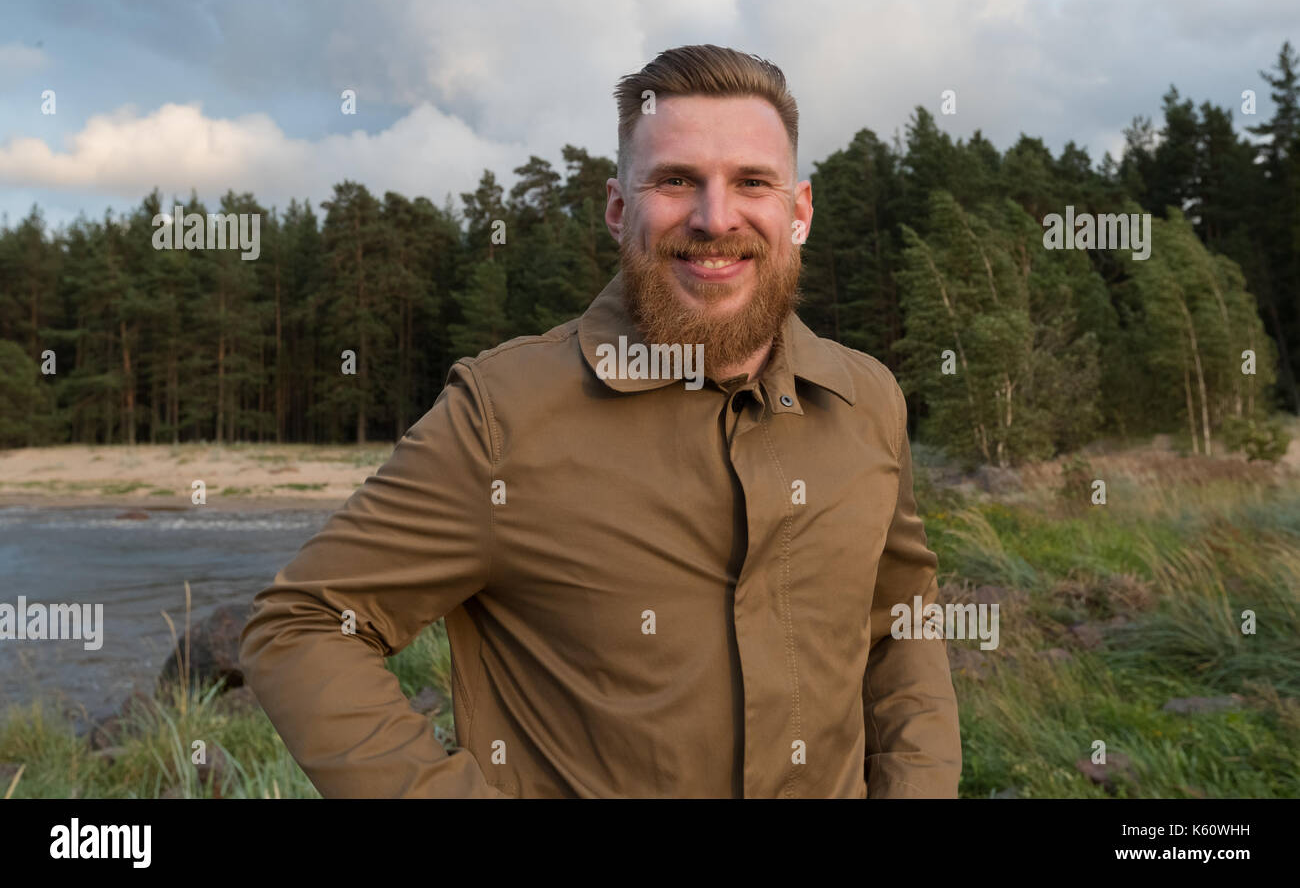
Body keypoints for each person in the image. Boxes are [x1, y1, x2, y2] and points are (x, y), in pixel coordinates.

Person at [239, 43, 962, 798]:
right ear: (620, 209)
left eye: (752, 181)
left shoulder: (867, 400)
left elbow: (899, 624)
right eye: (677, 180)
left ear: (798, 210)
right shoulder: (503, 414)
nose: (716, 219)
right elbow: (303, 627)